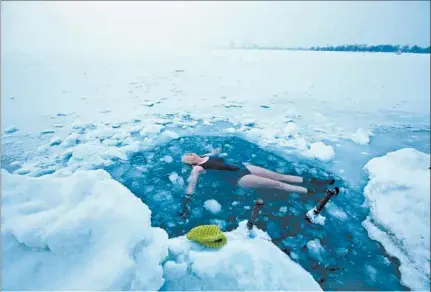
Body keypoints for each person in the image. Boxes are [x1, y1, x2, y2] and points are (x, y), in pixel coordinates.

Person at [181, 147, 335, 199]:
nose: (189, 154)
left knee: (278, 176)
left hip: (241, 167)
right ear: (191, 163)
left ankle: (317, 181)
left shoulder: (204, 154)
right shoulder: (197, 168)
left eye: (188, 153)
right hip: (238, 178)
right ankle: (316, 192)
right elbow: (193, 181)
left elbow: (216, 153)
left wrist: (218, 150)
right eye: (187, 158)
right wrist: (188, 197)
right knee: (278, 184)